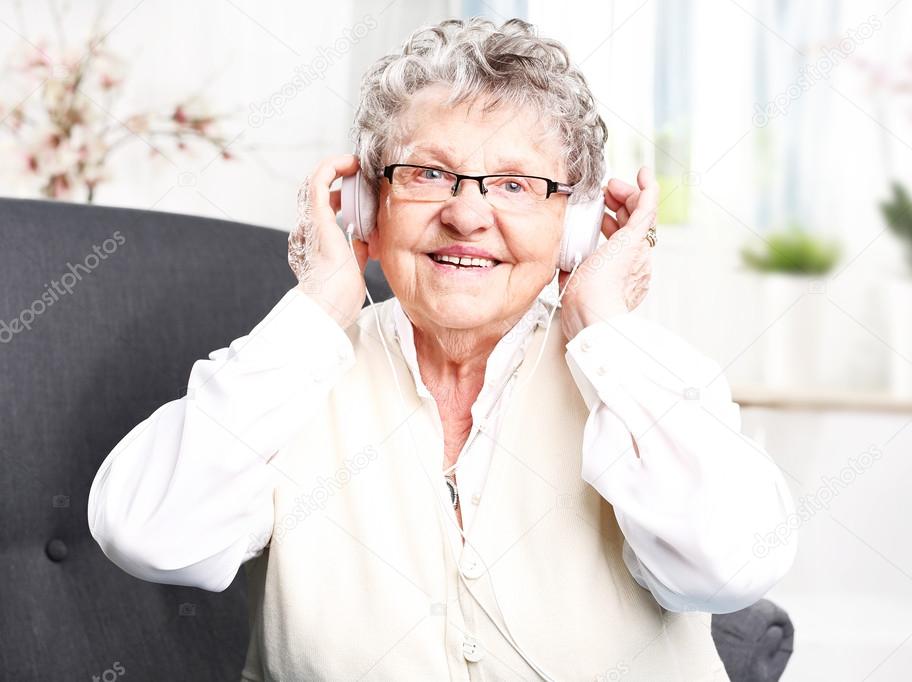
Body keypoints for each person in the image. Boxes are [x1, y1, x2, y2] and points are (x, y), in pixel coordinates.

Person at [88, 17, 797, 681]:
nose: (466, 214)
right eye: (427, 175)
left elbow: (729, 566)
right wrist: (321, 304)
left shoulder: (637, 377)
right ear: (367, 206)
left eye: (516, 185)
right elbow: (150, 535)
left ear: (574, 228)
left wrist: (603, 325)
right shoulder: (293, 373)